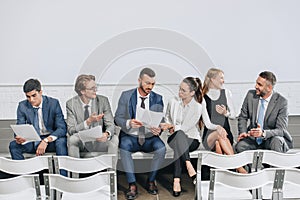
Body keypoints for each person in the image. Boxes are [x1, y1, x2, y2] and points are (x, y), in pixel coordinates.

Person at [160, 77, 227, 197]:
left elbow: (205, 124)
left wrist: (217, 127)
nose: (179, 92)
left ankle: (177, 181)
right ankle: (188, 164)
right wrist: (167, 125)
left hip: (192, 140)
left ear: (192, 92)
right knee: (178, 137)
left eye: (183, 90)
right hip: (174, 137)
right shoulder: (173, 101)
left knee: (179, 143)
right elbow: (167, 119)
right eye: (179, 89)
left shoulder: (198, 105)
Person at [114, 67, 166, 200]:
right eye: (147, 83)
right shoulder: (126, 96)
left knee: (161, 149)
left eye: (153, 84)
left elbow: (161, 120)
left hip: (149, 137)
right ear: (139, 80)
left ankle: (151, 181)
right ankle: (132, 184)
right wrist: (128, 123)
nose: (150, 86)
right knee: (124, 147)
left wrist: (159, 128)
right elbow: (117, 118)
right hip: (130, 136)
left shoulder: (158, 98)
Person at [9, 78, 68, 162]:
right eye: (28, 97)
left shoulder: (53, 103)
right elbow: (19, 127)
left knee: (61, 142)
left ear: (40, 92)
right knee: (13, 145)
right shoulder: (22, 106)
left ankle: (62, 174)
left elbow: (62, 128)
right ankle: (23, 173)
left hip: (50, 140)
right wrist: (19, 138)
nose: (31, 100)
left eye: (34, 95)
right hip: (33, 140)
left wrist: (46, 140)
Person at [235, 71, 293, 153]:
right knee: (240, 146)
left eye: (259, 85)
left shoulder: (282, 102)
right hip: (253, 139)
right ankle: (257, 166)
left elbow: (281, 130)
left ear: (269, 88)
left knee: (276, 141)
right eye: (256, 83)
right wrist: (243, 132)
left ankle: (274, 166)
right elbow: (242, 117)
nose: (256, 86)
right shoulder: (250, 95)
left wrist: (263, 133)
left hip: (271, 139)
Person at [201, 68, 246, 173]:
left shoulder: (226, 93)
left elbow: (234, 115)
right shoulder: (203, 97)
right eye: (221, 78)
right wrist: (218, 128)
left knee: (218, 144)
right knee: (218, 136)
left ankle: (220, 173)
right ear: (212, 79)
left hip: (226, 135)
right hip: (209, 136)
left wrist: (226, 113)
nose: (223, 81)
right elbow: (207, 124)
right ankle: (238, 167)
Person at [66, 74, 118, 163]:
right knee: (72, 139)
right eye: (92, 88)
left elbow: (110, 124)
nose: (95, 90)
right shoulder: (71, 104)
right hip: (82, 141)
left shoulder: (103, 101)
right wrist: (88, 122)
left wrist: (106, 134)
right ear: (82, 91)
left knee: (114, 139)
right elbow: (71, 130)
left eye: (96, 87)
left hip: (99, 141)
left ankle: (111, 173)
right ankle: (76, 174)